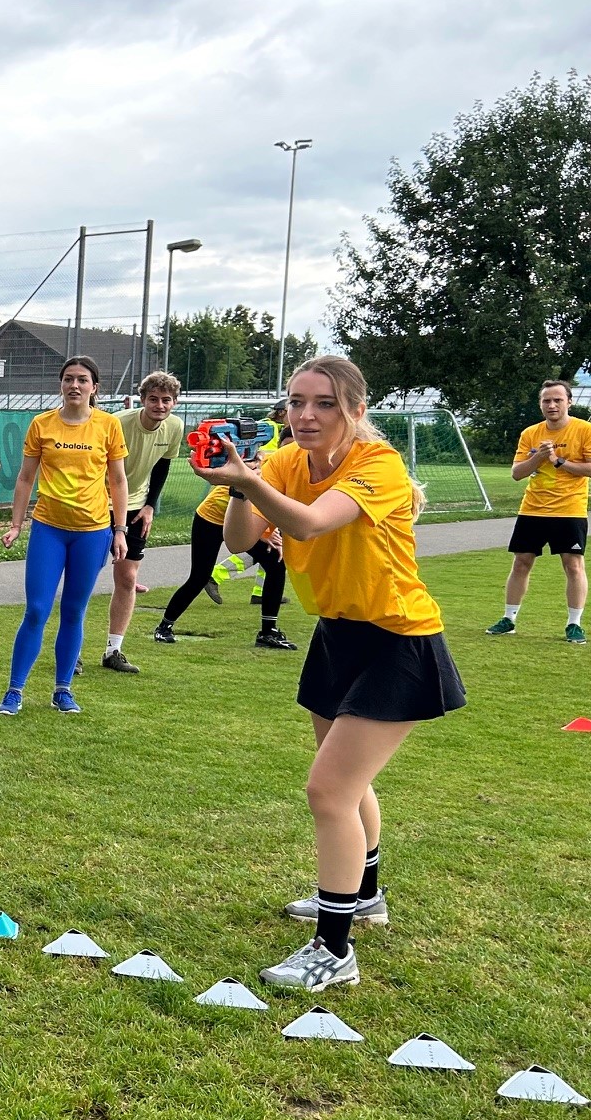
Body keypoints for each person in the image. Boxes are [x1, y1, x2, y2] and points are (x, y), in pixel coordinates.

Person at [193, 355, 464, 991]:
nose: (305, 415)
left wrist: (252, 483)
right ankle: (364, 896)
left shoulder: (380, 465)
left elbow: (311, 521)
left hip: (399, 639)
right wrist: (240, 485)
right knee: (348, 783)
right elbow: (239, 542)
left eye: (323, 403)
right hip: (337, 633)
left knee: (329, 791)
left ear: (354, 410)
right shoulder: (285, 461)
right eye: (295, 402)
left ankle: (334, 949)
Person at [0, 356, 128, 715]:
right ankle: (14, 691)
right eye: (68, 379)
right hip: (49, 529)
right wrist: (16, 524)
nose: (75, 385)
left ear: (94, 388)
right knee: (37, 610)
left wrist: (120, 529)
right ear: (61, 384)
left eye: (82, 380)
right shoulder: (42, 424)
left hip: (93, 531)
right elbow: (25, 478)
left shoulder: (108, 425)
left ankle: (63, 690)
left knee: (74, 610)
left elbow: (117, 480)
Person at [488, 378, 591, 641]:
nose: (552, 405)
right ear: (540, 404)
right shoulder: (530, 433)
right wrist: (538, 457)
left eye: (558, 400)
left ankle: (574, 624)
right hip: (533, 509)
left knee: (573, 566)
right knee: (521, 563)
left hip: (569, 510)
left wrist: (558, 461)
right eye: (547, 400)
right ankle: (509, 619)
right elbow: (516, 473)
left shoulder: (584, 430)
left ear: (569, 402)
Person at [101, 371, 185, 674]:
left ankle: (114, 650)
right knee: (82, 578)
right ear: (142, 399)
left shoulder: (174, 426)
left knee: (126, 579)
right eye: (154, 399)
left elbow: (163, 466)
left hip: (135, 506)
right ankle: (72, 649)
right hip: (98, 504)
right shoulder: (118, 423)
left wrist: (150, 505)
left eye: (166, 400)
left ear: (174, 402)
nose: (160, 405)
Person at [150, 483, 295, 649]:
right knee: (199, 577)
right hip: (212, 518)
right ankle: (164, 627)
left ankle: (268, 632)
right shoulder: (274, 465)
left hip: (246, 518)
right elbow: (257, 497)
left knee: (275, 563)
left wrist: (272, 531)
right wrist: (265, 533)